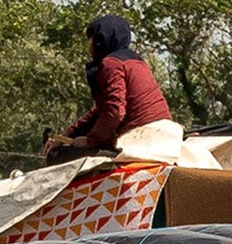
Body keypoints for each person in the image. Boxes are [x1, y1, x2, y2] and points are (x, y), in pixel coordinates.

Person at [44, 14, 173, 164]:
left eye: (92, 39)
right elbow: (101, 111)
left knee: (57, 156)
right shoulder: (136, 61)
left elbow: (115, 111)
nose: (89, 45)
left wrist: (91, 141)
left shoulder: (111, 63)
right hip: (167, 132)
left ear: (101, 39)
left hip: (142, 137)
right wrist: (66, 135)